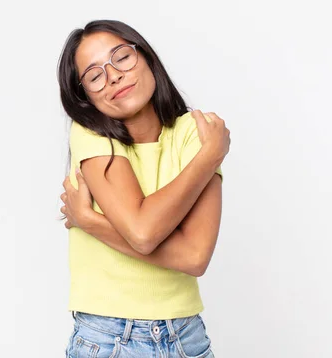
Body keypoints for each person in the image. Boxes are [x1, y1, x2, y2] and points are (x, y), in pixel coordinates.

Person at [57, 20, 231, 357]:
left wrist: (91, 222)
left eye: (121, 58)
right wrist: (208, 158)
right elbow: (143, 231)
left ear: (146, 56)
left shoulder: (195, 132)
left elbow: (195, 257)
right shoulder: (90, 133)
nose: (113, 76)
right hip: (108, 339)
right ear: (85, 98)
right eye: (94, 76)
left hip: (187, 337)